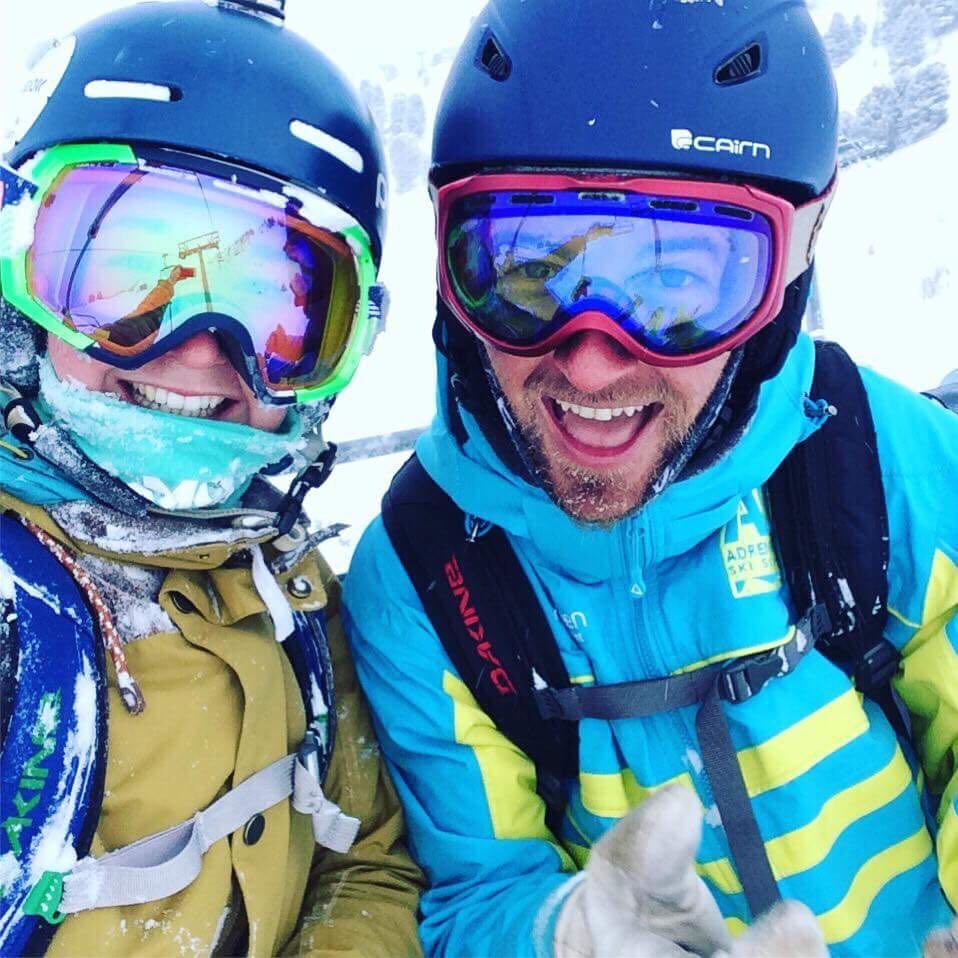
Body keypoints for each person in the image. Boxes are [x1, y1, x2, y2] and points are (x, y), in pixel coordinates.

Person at [342, 1, 958, 955]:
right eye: (524, 270)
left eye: (679, 284)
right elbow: (480, 890)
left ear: (787, 275)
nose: (592, 362)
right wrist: (569, 938)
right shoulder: (424, 574)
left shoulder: (870, 454)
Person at [0, 1, 422, 954]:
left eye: (272, 311)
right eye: (128, 279)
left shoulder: (291, 593)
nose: (199, 352)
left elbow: (366, 862)